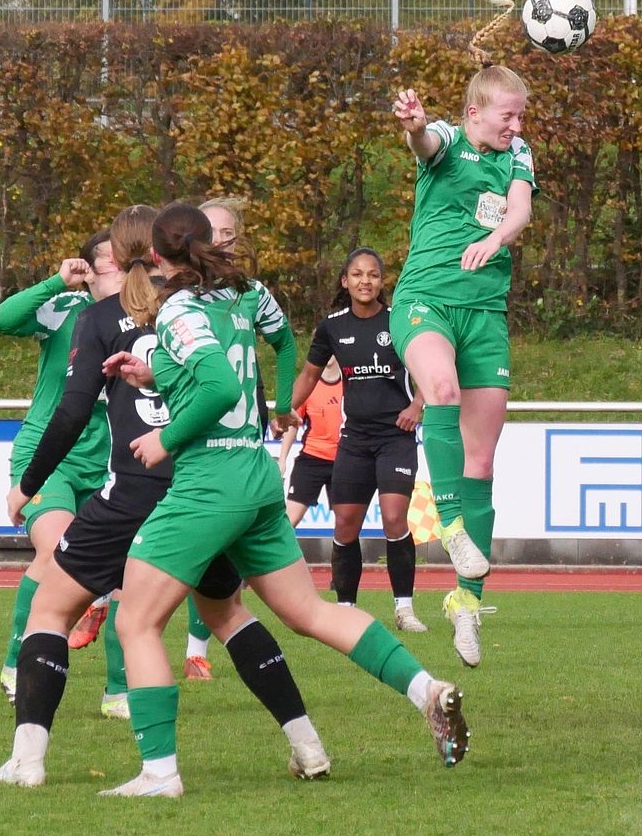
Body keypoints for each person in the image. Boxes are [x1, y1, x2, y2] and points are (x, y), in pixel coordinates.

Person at [97, 203, 467, 797]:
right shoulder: (238, 296)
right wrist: (157, 375)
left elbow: (218, 385)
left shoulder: (179, 308)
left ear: (158, 256)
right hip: (257, 476)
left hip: (211, 481)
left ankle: (159, 774)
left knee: (136, 620)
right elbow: (254, 356)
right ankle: (426, 690)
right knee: (309, 613)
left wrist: (165, 438)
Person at [0, 205, 332, 787]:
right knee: (227, 614)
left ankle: (28, 762)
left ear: (122, 254)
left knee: (51, 609)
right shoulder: (207, 305)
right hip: (200, 490)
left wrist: (28, 484)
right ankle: (307, 743)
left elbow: (72, 412)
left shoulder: (101, 317)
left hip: (135, 490)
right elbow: (241, 387)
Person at [390, 45, 535, 667]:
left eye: (521, 116)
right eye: (507, 115)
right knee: (441, 391)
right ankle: (449, 528)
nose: (516, 125)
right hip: (426, 301)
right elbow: (425, 143)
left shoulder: (518, 154)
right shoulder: (450, 137)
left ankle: (465, 606)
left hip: (486, 315)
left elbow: (521, 209)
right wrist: (416, 126)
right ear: (475, 113)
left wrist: (497, 237)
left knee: (482, 461)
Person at [178, 195, 301, 681]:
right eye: (212, 232)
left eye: (229, 233)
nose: (221, 241)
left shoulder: (251, 292)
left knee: (218, 550)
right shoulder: (179, 294)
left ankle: (194, 651)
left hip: (237, 440)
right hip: (187, 434)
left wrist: (284, 405)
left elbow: (286, 342)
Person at [0, 231, 111, 700]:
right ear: (88, 269)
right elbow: (2, 320)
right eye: (105, 260)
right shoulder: (66, 307)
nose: (116, 269)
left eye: (122, 260)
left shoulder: (146, 318)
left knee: (126, 573)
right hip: (47, 453)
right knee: (56, 548)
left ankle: (121, 694)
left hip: (108, 458)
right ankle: (15, 661)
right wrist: (55, 282)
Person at [288, 248, 427, 634]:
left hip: (396, 437)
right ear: (345, 281)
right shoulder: (331, 327)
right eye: (357, 274)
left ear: (382, 282)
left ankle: (404, 608)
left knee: (394, 518)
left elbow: (430, 367)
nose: (365, 281)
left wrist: (417, 405)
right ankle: (345, 609)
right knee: (345, 524)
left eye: (373, 275)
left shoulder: (399, 321)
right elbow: (309, 375)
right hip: (354, 441)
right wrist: (286, 409)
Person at [281, 357, 343, 528]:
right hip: (312, 459)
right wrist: (282, 459)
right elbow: (293, 423)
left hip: (343, 461)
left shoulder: (350, 383)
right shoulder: (308, 385)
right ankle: (278, 546)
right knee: (290, 519)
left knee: (345, 522)